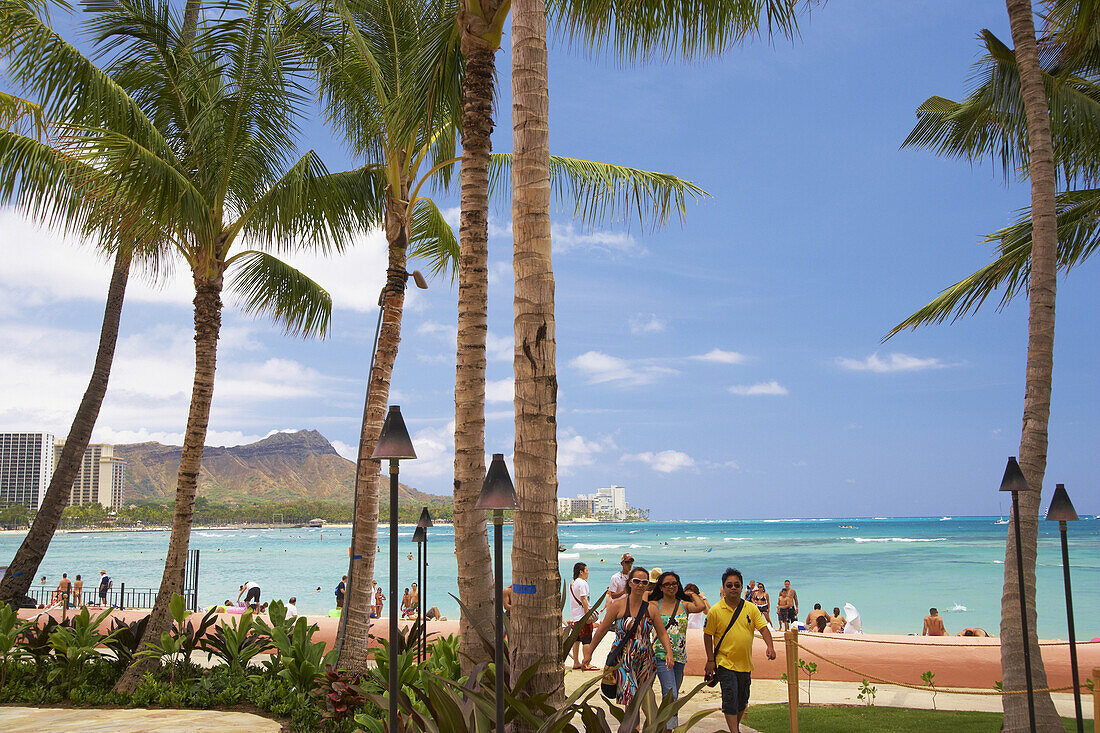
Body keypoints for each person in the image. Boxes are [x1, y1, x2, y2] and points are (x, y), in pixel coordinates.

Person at [583, 567, 674, 729]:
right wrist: (589, 653)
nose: (640, 585)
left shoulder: (651, 609)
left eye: (644, 582)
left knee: (645, 698)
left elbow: (662, 634)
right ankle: (633, 728)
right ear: (630, 583)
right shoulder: (617, 606)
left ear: (647, 586)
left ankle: (648, 728)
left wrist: (669, 653)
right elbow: (602, 630)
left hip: (645, 660)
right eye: (636, 581)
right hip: (623, 660)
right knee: (630, 698)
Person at [704, 568, 776, 733]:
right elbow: (707, 635)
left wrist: (770, 647)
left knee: (742, 700)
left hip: (745, 664)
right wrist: (710, 660)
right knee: (730, 698)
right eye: (729, 585)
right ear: (723, 588)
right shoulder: (715, 611)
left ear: (742, 586)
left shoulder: (751, 608)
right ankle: (735, 731)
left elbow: (764, 629)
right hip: (724, 662)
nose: (733, 588)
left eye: (736, 585)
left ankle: (734, 728)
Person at [650, 571, 707, 731]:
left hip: (680, 657)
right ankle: (668, 729)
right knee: (671, 695)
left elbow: (701, 606)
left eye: (674, 583)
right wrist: (650, 589)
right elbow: (642, 600)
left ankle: (662, 725)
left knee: (672, 698)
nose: (671, 587)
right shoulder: (655, 605)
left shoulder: (683, 605)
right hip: (661, 655)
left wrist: (691, 593)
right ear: (660, 587)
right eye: (666, 584)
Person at [568, 562, 597, 670]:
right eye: (586, 570)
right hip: (582, 616)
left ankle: (576, 662)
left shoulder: (573, 583)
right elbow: (584, 599)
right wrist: (587, 614)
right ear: (581, 572)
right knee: (587, 640)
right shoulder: (582, 583)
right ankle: (587, 663)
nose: (588, 573)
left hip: (576, 615)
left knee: (576, 640)